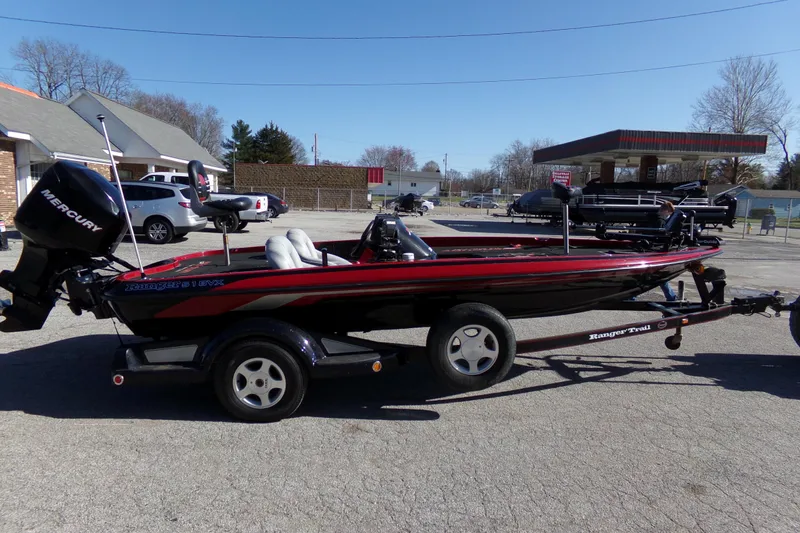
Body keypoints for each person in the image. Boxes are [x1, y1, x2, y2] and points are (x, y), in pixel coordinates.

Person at [657, 202, 678, 302]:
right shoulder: (662, 220)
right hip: (659, 251)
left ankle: (671, 297)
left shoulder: (660, 219)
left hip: (657, 251)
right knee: (661, 277)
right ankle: (671, 298)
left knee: (661, 277)